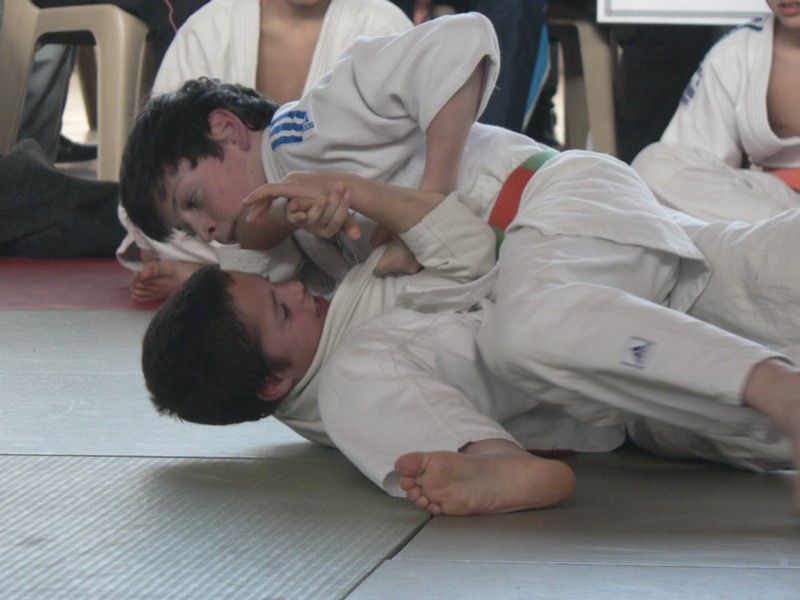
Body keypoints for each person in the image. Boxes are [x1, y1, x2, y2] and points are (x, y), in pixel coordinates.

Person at [119, 14, 800, 516]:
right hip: (595, 311)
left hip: (548, 211)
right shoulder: (295, 267)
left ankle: (775, 387)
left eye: (195, 202)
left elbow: (464, 37)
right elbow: (232, 292)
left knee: (528, 329)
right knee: (759, 295)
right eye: (190, 230)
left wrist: (428, 192)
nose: (207, 232)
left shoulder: (306, 128)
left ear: (228, 130)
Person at [115, 0, 413, 303]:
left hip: (389, 233)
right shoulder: (207, 30)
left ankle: (222, 282)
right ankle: (232, 281)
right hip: (308, 260)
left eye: (194, 201)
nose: (204, 232)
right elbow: (155, 198)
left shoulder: (381, 24)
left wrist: (421, 205)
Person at [632, 1, 800, 222]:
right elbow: (694, 157)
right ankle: (784, 232)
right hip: (779, 203)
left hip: (776, 219)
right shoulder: (736, 51)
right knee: (654, 167)